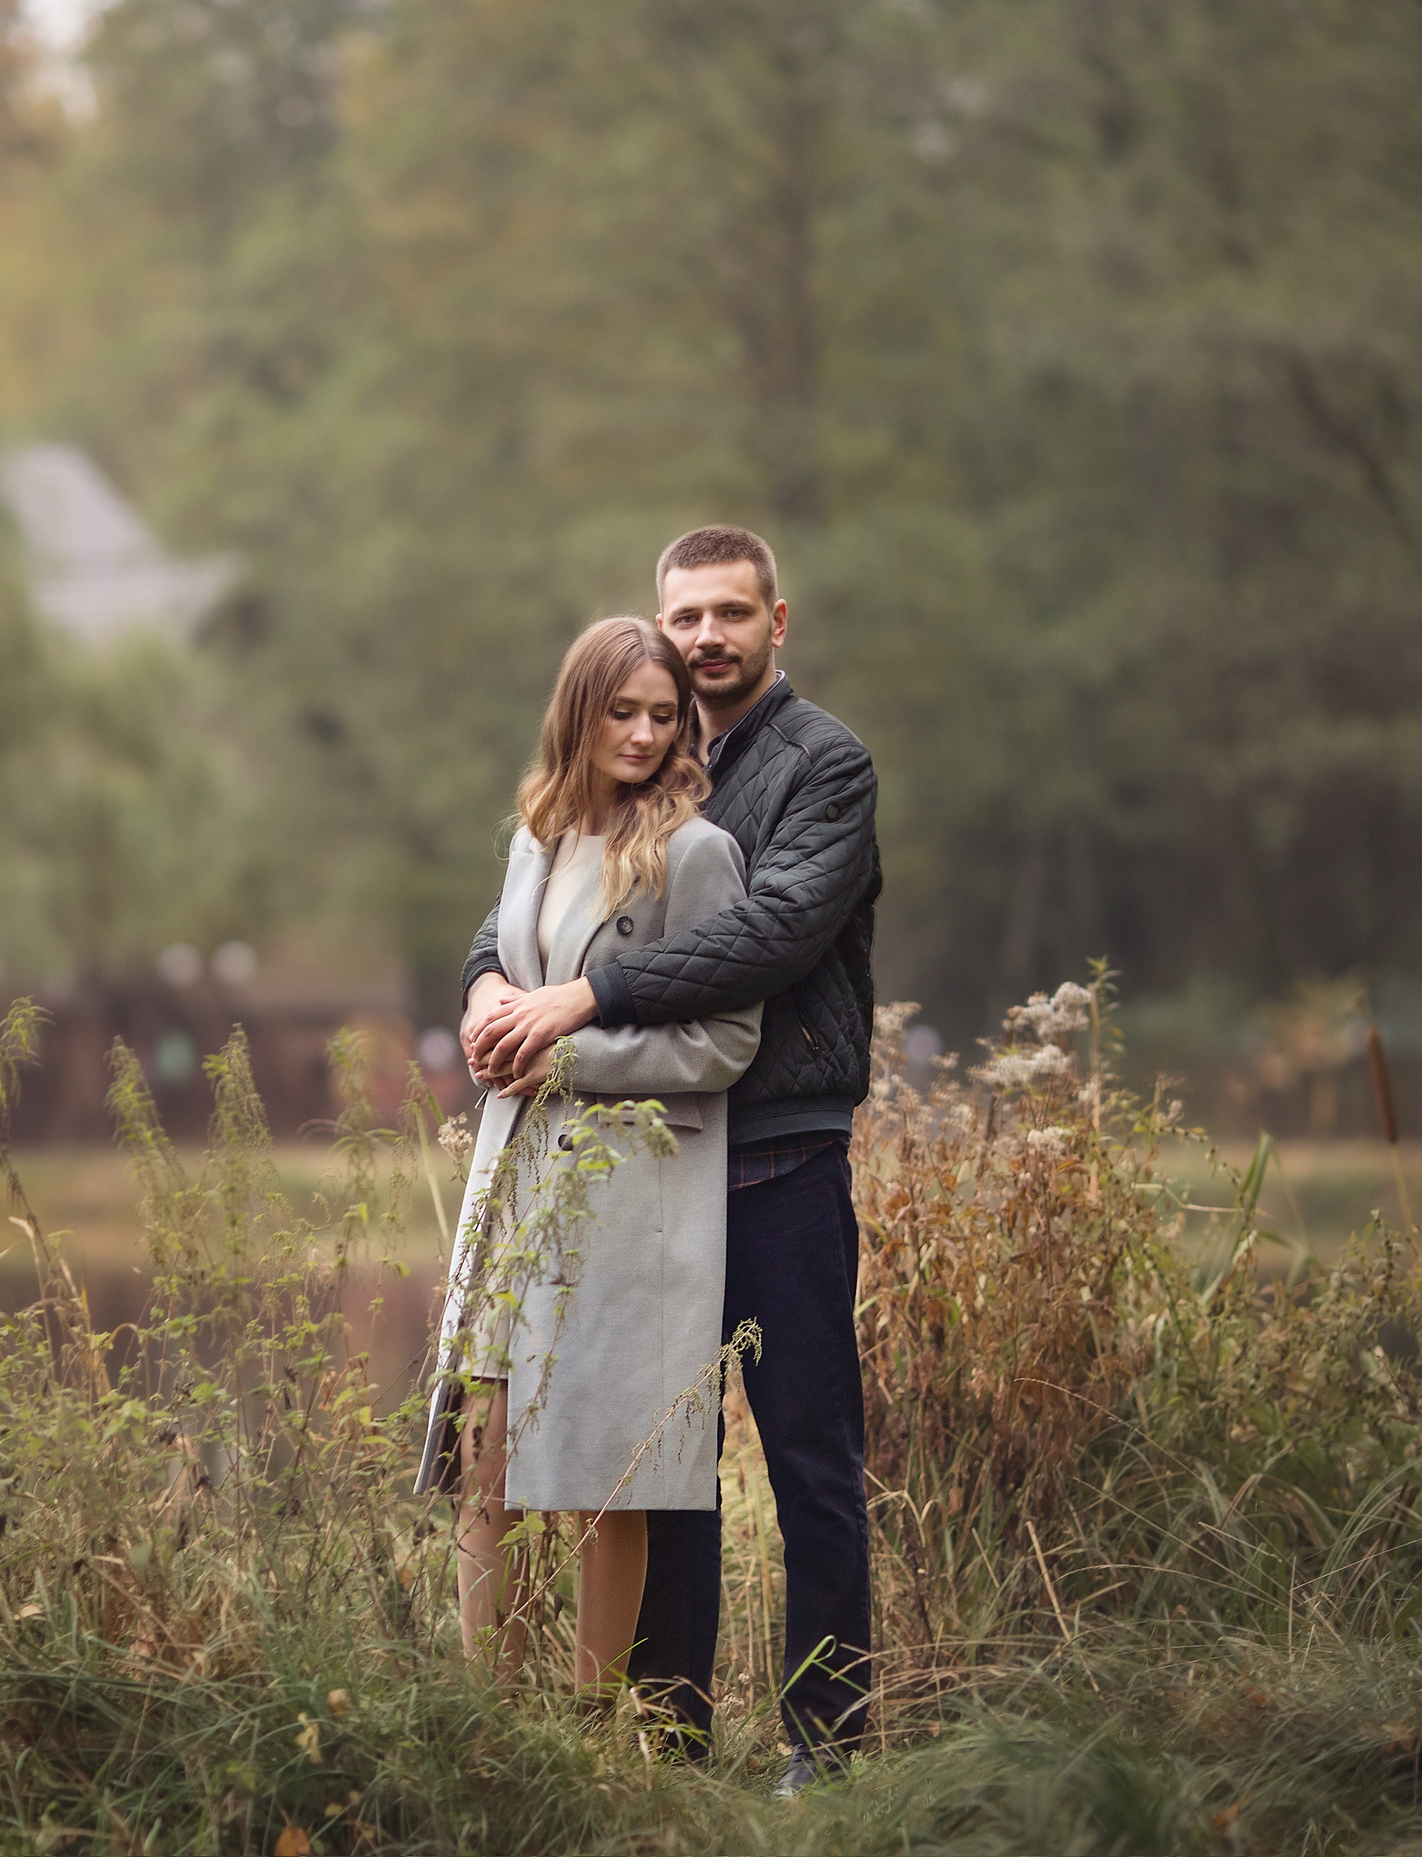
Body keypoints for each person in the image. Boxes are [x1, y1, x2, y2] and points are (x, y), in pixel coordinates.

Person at [463, 525, 880, 1792]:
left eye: (729, 615)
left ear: (776, 621)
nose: (706, 638)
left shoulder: (823, 766)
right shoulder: (645, 757)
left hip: (779, 1159)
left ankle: (829, 1748)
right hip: (649, 1174)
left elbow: (767, 936)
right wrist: (489, 984)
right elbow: (527, 908)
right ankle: (670, 1742)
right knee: (661, 1464)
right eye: (685, 615)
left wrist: (582, 1002)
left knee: (809, 1456)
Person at [419, 615, 762, 1699]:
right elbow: (501, 955)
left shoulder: (697, 855)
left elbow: (726, 1040)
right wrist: (483, 1000)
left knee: (605, 1475)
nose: (646, 734)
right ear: (579, 711)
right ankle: (491, 1714)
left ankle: (584, 1726)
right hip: (514, 1179)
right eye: (622, 712)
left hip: (627, 1190)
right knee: (487, 1461)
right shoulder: (540, 835)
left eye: (664, 717)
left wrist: (570, 1061)